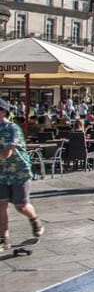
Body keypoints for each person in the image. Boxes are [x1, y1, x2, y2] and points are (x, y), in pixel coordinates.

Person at [0, 100, 43, 251]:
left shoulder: (12, 128)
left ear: (4, 112)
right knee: (1, 205)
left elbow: (7, 152)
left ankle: (34, 220)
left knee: (21, 206)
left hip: (19, 171)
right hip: (1, 174)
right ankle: (3, 240)